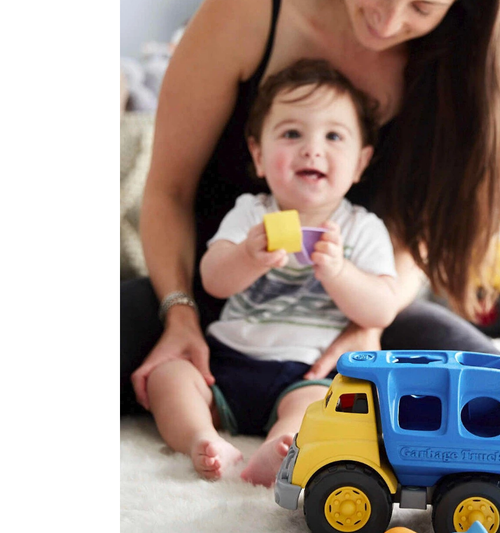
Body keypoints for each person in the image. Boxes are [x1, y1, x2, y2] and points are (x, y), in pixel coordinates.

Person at [121, 0, 500, 501]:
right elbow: (168, 192)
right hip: (207, 292)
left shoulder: (451, 60)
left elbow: (424, 236)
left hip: (362, 300)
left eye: (422, 5)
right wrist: (180, 312)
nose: (388, 22)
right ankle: (202, 430)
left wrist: (371, 321)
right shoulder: (250, 14)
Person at [145, 59, 398, 481]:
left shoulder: (363, 228)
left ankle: (277, 449)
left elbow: (381, 310)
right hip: (227, 362)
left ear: (360, 163)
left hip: (305, 371)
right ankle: (202, 439)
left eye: (334, 136)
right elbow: (212, 280)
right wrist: (247, 255)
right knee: (167, 377)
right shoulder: (251, 214)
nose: (312, 148)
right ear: (259, 156)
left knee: (322, 409)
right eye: (291, 133)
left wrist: (338, 272)